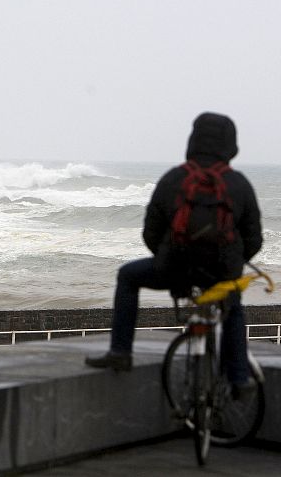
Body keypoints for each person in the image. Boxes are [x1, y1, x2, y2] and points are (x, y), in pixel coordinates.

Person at [85, 112, 263, 392]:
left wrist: (167, 259)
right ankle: (239, 378)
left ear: (193, 141)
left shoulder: (174, 178)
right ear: (231, 145)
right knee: (233, 307)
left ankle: (121, 352)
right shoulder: (238, 184)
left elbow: (150, 231)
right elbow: (254, 239)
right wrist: (233, 263)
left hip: (174, 269)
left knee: (128, 277)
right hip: (220, 274)